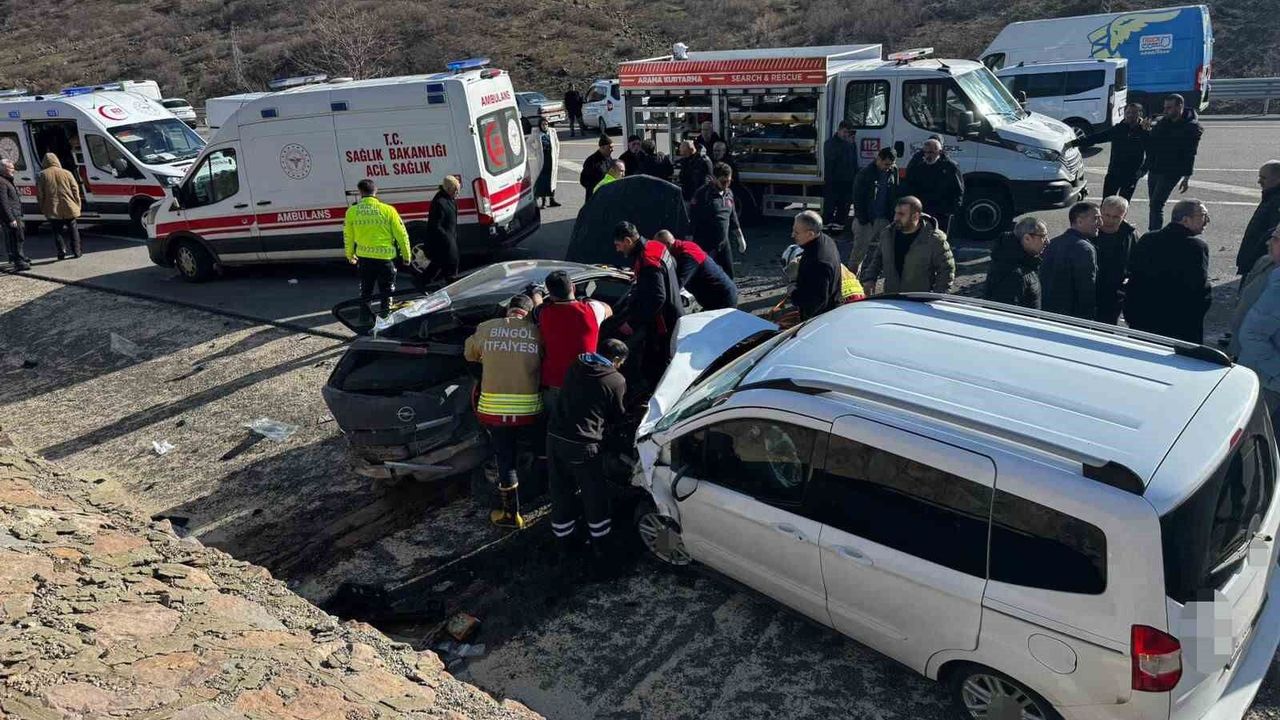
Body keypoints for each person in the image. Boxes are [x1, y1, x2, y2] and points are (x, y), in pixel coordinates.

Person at [547, 338, 629, 569]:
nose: (620, 366)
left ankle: (564, 543)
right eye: (620, 362)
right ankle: (601, 545)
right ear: (614, 360)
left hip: (554, 437)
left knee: (560, 489)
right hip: (584, 444)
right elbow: (618, 415)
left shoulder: (577, 365)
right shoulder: (615, 380)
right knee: (594, 493)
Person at [464, 294, 543, 529]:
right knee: (531, 449)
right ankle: (537, 489)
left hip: (494, 411)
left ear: (508, 310)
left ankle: (511, 514)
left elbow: (469, 355)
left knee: (504, 459)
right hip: (530, 410)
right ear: (528, 313)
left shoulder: (487, 327)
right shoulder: (539, 332)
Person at [1124, 199, 1212, 343]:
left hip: (1142, 320)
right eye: (1203, 215)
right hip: (1178, 326)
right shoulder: (1196, 247)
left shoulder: (1148, 238)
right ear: (1185, 220)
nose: (1207, 221)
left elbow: (1133, 277)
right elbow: (1199, 290)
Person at [613, 221, 684, 391]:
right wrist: (641, 280)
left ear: (628, 241)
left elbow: (658, 297)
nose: (618, 249)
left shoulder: (647, 260)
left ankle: (656, 397)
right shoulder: (655, 246)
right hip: (672, 312)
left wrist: (633, 323)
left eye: (618, 245)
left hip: (663, 323)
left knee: (657, 365)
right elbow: (671, 263)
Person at [537, 269, 613, 416]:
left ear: (550, 294)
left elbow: (536, 307)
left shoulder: (544, 314)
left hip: (553, 382)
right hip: (584, 382)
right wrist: (587, 299)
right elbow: (608, 309)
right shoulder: (592, 311)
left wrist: (536, 293)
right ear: (573, 287)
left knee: (552, 423)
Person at [343, 179, 411, 320]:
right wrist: (406, 256)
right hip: (385, 260)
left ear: (360, 192)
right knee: (387, 293)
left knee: (366, 292)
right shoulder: (388, 210)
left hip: (365, 259)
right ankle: (386, 321)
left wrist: (350, 255)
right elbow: (401, 234)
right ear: (376, 191)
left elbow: (348, 236)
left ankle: (364, 321)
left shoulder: (352, 211)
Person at [859, 196, 955, 294]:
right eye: (895, 213)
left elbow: (946, 270)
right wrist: (870, 279)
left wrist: (938, 295)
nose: (896, 218)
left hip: (919, 301)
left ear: (915, 216)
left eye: (901, 214)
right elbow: (877, 259)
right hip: (892, 297)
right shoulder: (887, 234)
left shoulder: (934, 239)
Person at [1236, 230, 1280, 422]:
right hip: (1267, 380)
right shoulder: (1268, 267)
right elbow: (1251, 334)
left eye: (1276, 238)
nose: (1268, 242)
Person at [1144, 94, 1203, 231]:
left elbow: (1190, 153)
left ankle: (1154, 234)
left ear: (1180, 106)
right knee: (1153, 204)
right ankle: (1154, 233)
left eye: (1169, 108)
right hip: (1156, 167)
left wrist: (1187, 177)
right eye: (1165, 107)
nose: (1166, 111)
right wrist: (1146, 131)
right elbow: (1152, 144)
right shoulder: (1164, 122)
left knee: (1157, 204)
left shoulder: (1191, 127)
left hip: (1172, 170)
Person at [1070, 102, 1149, 200]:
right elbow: (1097, 138)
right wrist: (1073, 143)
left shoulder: (1145, 131)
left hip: (1131, 175)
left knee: (1123, 204)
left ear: (1140, 114)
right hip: (1114, 173)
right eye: (1128, 112)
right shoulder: (1118, 129)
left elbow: (1152, 153)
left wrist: (1142, 171)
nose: (1129, 115)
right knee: (1107, 201)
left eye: (1133, 113)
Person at [1039, 201, 1100, 320]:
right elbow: (1086, 290)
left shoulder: (1054, 243)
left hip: (1048, 313)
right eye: (1096, 218)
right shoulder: (1084, 249)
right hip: (1073, 317)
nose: (1100, 223)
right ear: (1079, 221)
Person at [653, 229, 738, 310]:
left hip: (721, 299)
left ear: (667, 245)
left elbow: (677, 284)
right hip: (716, 296)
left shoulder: (687, 256)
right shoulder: (685, 247)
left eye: (659, 248)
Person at [690, 162, 746, 279]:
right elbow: (693, 217)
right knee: (705, 275)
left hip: (723, 242)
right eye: (723, 182)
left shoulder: (729, 193)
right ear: (714, 178)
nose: (726, 184)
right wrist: (690, 240)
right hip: (705, 242)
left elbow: (733, 216)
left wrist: (740, 237)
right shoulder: (702, 194)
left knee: (729, 275)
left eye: (729, 181)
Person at [1230, 226, 1280, 357]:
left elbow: (1252, 335)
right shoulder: (1264, 263)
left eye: (1275, 239)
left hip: (1263, 367)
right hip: (1240, 351)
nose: (1267, 242)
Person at [851, 147, 900, 272]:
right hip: (867, 220)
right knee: (858, 254)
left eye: (891, 164)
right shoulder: (865, 174)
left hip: (885, 218)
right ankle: (851, 282)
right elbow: (858, 198)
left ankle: (874, 279)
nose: (888, 167)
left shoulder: (893, 171)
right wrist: (863, 220)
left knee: (885, 253)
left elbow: (894, 192)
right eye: (886, 164)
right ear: (878, 159)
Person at [789, 210, 843, 320]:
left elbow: (816, 303)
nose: (792, 235)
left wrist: (793, 292)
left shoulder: (819, 263)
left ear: (810, 234)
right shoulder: (826, 240)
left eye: (796, 232)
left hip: (821, 319)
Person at [984, 216, 1047, 309]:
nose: (1047, 241)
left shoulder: (1023, 263)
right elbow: (1007, 315)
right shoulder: (1014, 275)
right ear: (1027, 238)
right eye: (1043, 237)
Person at [1092, 196, 1137, 324]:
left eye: (1116, 217)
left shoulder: (1130, 234)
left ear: (1124, 215)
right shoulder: (1089, 231)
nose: (1110, 220)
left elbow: (1134, 262)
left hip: (1114, 294)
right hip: (1090, 291)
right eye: (1106, 215)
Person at [903, 138, 964, 234]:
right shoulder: (919, 167)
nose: (928, 155)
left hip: (942, 211)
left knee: (938, 239)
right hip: (923, 209)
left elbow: (958, 190)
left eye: (931, 152)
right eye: (925, 152)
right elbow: (910, 187)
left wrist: (952, 209)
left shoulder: (950, 167)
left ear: (939, 152)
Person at [1235, 161, 1280, 282]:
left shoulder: (1276, 201)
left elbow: (1272, 236)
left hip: (1261, 266)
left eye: (1263, 178)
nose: (1259, 181)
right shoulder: (1271, 196)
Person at [414, 176, 460, 288]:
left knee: (438, 264)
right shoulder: (440, 202)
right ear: (449, 189)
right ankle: (452, 287)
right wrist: (447, 238)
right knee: (449, 265)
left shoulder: (449, 199)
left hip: (449, 238)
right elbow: (435, 225)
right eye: (456, 190)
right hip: (444, 241)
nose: (458, 193)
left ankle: (421, 283)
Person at [36, 153, 82, 260]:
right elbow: (75, 190)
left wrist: (42, 207)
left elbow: (40, 194)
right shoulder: (67, 173)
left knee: (57, 231)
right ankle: (77, 251)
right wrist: (77, 204)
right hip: (69, 205)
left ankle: (61, 252)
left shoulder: (42, 175)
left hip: (52, 207)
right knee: (73, 229)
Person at [822, 121, 859, 231]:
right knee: (830, 205)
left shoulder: (850, 144)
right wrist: (847, 145)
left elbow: (854, 161)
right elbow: (832, 159)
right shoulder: (830, 143)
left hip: (848, 180)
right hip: (834, 180)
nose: (846, 134)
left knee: (844, 205)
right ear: (838, 130)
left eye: (848, 132)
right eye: (844, 132)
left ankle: (838, 226)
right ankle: (826, 225)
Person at [0, 159, 28, 271]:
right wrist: (10, 218)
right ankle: (19, 261)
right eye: (10, 168)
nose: (13, 170)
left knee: (18, 236)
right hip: (12, 214)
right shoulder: (1, 182)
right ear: (3, 170)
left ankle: (20, 257)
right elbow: (3, 202)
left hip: (15, 213)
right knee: (17, 237)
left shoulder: (7, 180)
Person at [534, 118, 561, 209]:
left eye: (546, 124)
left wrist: (556, 154)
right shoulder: (537, 134)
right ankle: (544, 202)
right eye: (543, 124)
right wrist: (535, 152)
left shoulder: (552, 132)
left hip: (551, 158)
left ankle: (552, 200)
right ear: (540, 126)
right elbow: (528, 144)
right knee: (544, 181)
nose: (545, 126)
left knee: (552, 179)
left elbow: (557, 143)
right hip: (543, 159)